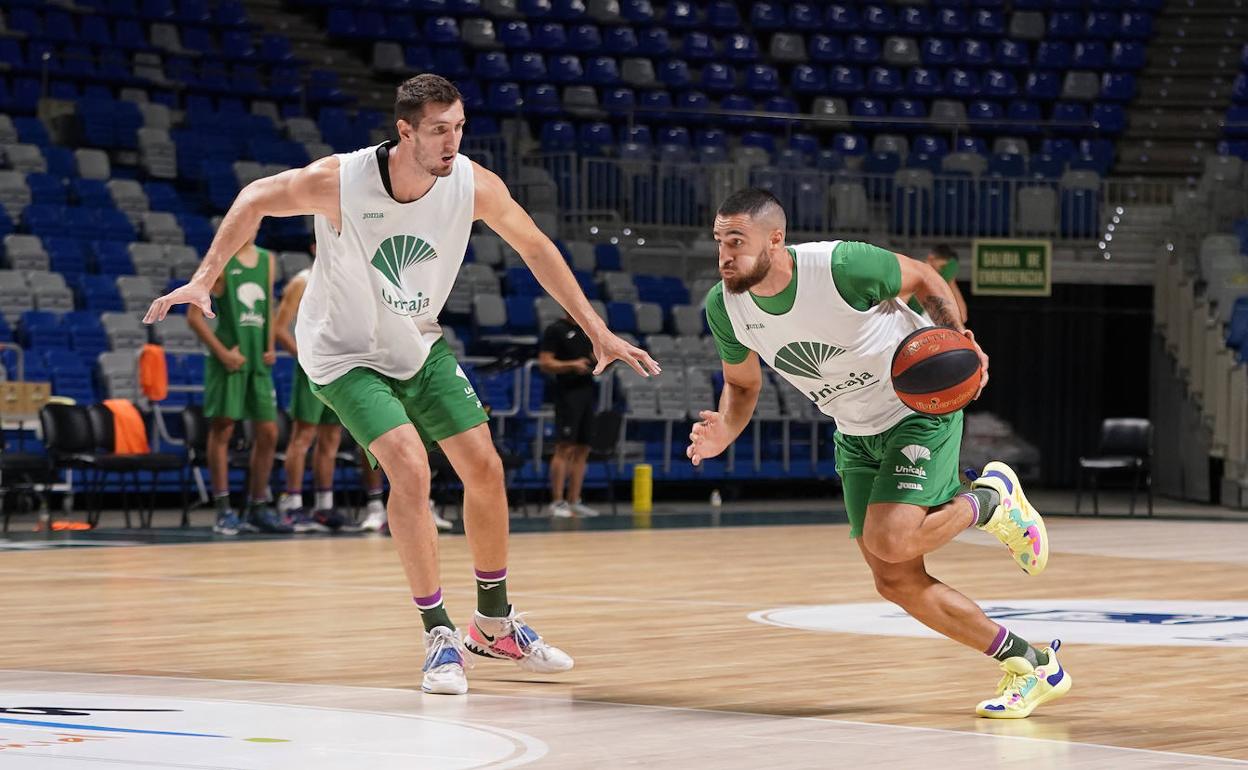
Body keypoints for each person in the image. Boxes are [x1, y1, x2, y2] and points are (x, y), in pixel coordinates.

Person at [145, 74, 660, 695]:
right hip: (340, 352)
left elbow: (536, 246)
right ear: (406, 131)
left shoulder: (472, 185)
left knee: (485, 468)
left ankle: (492, 622)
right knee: (411, 469)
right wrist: (205, 277)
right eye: (440, 130)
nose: (453, 141)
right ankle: (438, 634)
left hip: (415, 341)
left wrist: (597, 330)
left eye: (460, 127)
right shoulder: (342, 179)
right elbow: (255, 197)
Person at [687, 189, 1070, 719]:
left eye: (737, 241)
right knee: (895, 579)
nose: (725, 254)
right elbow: (742, 386)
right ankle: (1033, 665)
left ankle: (990, 500)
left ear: (776, 239)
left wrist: (957, 338)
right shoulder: (725, 307)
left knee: (888, 538)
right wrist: (725, 430)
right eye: (718, 241)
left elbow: (923, 277)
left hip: (918, 409)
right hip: (855, 429)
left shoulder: (839, 265)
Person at [272, 250, 451, 533]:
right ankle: (292, 506)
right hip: (315, 367)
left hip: (345, 369)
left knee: (330, 439)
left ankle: (323, 505)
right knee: (303, 437)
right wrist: (307, 356)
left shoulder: (353, 280)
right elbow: (278, 328)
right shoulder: (303, 281)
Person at [185, 240, 292, 536]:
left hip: (257, 359)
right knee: (223, 429)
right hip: (229, 359)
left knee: (269, 432)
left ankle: (257, 506)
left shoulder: (267, 258)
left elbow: (267, 304)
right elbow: (194, 317)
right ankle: (223, 509)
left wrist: (270, 345)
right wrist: (223, 354)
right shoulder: (219, 257)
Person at [539, 311, 600, 518]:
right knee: (564, 446)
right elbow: (545, 362)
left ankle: (574, 500)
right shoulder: (556, 329)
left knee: (583, 447)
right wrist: (571, 365)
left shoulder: (587, 330)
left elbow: (593, 357)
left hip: (588, 391)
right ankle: (557, 502)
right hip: (567, 393)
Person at [907, 244, 967, 324]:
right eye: (942, 267)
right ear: (930, 258)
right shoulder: (914, 275)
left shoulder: (944, 288)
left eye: (946, 270)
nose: (943, 272)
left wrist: (950, 280)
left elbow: (962, 317)